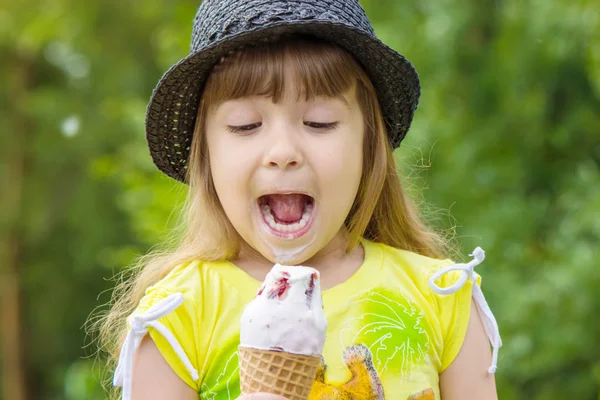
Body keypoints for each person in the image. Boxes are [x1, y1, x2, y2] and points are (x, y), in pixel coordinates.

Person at [99, 0, 502, 399]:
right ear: (206, 157)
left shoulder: (443, 296)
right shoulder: (176, 314)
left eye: (319, 122)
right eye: (245, 125)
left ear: (368, 144)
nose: (283, 150)